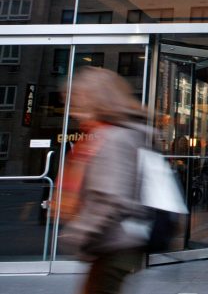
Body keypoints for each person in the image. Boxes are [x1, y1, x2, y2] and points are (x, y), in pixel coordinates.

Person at [58, 67, 150, 294]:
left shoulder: (112, 137)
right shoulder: (118, 133)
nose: (72, 110)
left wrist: (79, 232)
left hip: (115, 243)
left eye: (78, 100)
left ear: (96, 99)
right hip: (118, 243)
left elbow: (109, 197)